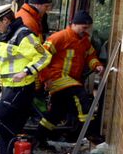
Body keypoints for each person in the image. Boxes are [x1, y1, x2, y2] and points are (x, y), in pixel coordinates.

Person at [0, 4, 52, 154]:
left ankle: (21, 140)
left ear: (6, 20)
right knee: (2, 129)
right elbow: (13, 57)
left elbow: (44, 56)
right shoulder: (9, 35)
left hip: (21, 89)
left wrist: (26, 72)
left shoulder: (24, 34)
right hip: (9, 88)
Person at [35, 10, 105, 145]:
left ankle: (39, 139)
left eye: (87, 28)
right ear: (74, 24)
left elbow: (90, 56)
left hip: (69, 80)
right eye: (84, 28)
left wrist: (97, 65)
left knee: (57, 112)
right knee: (81, 96)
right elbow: (40, 58)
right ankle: (90, 132)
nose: (86, 31)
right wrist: (45, 78)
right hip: (56, 77)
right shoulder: (59, 37)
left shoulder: (84, 40)